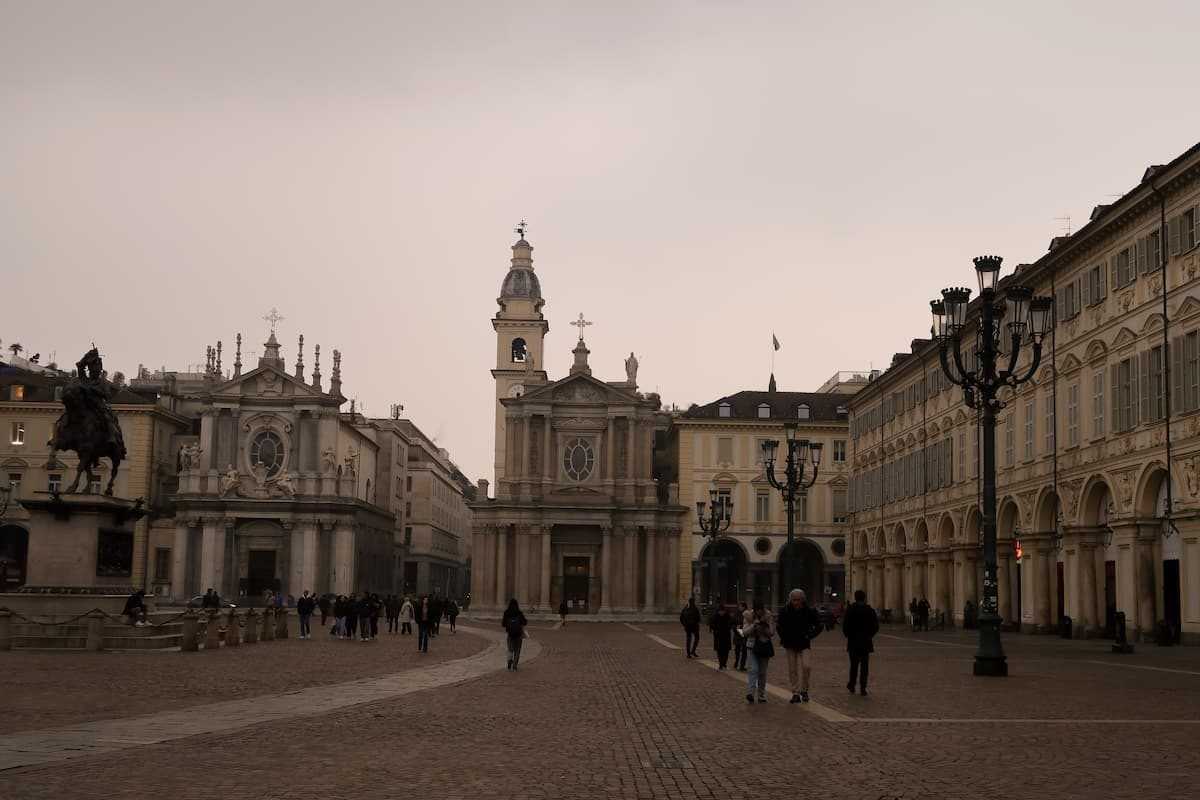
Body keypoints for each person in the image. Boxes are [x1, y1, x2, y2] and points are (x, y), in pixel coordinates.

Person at [777, 588, 822, 704]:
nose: (796, 602)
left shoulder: (809, 611)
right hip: (790, 643)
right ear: (790, 599)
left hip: (804, 643)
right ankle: (795, 693)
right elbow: (779, 625)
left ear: (802, 600)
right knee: (792, 669)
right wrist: (783, 636)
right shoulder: (785, 610)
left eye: (798, 600)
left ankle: (804, 690)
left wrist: (810, 635)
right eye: (793, 600)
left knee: (807, 666)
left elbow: (819, 625)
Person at [842, 589, 880, 696]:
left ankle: (852, 685)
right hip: (865, 642)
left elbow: (845, 625)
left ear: (855, 597)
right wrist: (869, 635)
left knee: (853, 665)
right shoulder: (869, 610)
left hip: (853, 642)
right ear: (864, 598)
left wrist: (848, 635)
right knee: (864, 667)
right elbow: (875, 626)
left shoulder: (850, 609)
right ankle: (863, 688)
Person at [742, 599, 774, 703]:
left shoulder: (768, 616)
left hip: (764, 646)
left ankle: (761, 695)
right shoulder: (748, 617)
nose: (759, 612)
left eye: (761, 610)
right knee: (754, 669)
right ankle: (750, 693)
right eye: (757, 610)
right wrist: (753, 626)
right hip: (752, 646)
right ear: (754, 610)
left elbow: (772, 632)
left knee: (762, 672)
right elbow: (745, 632)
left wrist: (764, 627)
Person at [502, 598, 528, 670]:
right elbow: (524, 622)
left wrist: (509, 625)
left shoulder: (506, 612)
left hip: (510, 634)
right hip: (518, 634)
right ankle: (515, 666)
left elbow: (503, 624)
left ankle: (509, 660)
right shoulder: (519, 613)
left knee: (510, 649)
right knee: (517, 650)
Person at [708, 603, 734, 669]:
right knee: (719, 650)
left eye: (723, 611)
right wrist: (715, 629)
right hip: (718, 636)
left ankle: (724, 663)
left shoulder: (727, 616)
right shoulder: (715, 617)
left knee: (726, 650)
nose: (721, 612)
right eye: (720, 611)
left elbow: (731, 623)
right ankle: (721, 664)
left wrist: (728, 627)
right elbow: (711, 624)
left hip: (726, 636)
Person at [732, 601, 750, 671]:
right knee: (737, 650)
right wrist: (735, 628)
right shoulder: (736, 614)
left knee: (744, 651)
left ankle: (742, 665)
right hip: (737, 633)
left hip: (744, 633)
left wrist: (742, 627)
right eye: (739, 606)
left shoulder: (747, 614)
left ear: (744, 607)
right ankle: (736, 662)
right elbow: (732, 623)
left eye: (741, 606)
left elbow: (748, 623)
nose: (740, 607)